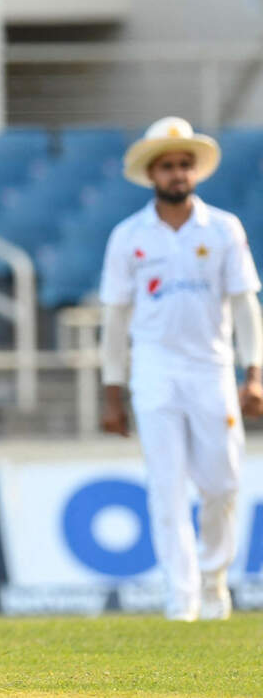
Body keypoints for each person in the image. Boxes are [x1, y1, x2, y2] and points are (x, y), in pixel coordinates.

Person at [99, 116, 263, 621]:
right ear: (152, 173)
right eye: (167, 166)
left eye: (184, 165)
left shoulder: (223, 228)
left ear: (195, 171)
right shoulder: (128, 236)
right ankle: (181, 595)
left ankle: (214, 581)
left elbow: (245, 306)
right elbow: (115, 318)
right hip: (154, 371)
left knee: (223, 484)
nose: (177, 174)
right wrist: (112, 391)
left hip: (212, 368)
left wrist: (254, 374)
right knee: (165, 487)